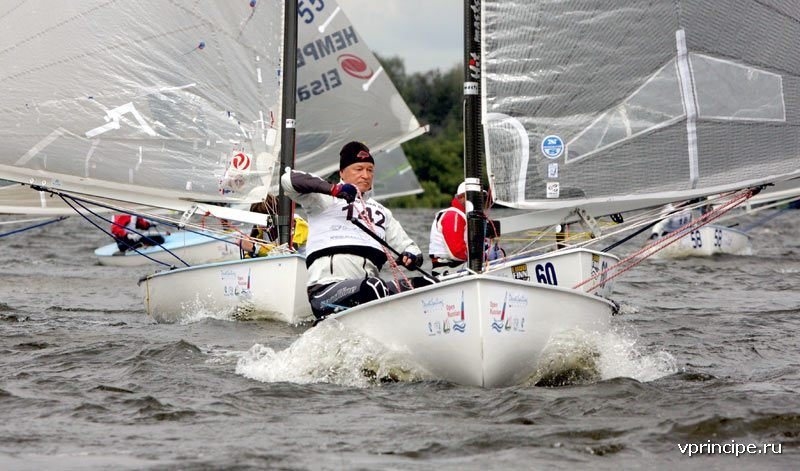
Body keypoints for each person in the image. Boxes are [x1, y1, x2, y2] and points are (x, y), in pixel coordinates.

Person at [281, 140, 424, 320]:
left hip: (370, 289)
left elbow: (412, 249)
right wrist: (334, 189)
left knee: (424, 284)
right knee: (373, 287)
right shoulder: (323, 199)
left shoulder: (383, 213)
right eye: (359, 169)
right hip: (327, 291)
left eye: (370, 170)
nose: (366, 175)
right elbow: (288, 179)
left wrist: (411, 257)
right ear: (342, 172)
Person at [428, 182, 505, 275]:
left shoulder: (467, 218)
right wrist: (484, 256)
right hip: (447, 269)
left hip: (463, 266)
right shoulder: (453, 215)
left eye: (481, 197)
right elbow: (457, 252)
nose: (479, 201)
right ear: (461, 197)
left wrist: (492, 250)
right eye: (475, 197)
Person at [239, 196, 309, 258]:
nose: (261, 225)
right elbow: (250, 253)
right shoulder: (259, 228)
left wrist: (254, 248)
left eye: (265, 220)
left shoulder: (299, 224)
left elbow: (287, 252)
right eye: (257, 220)